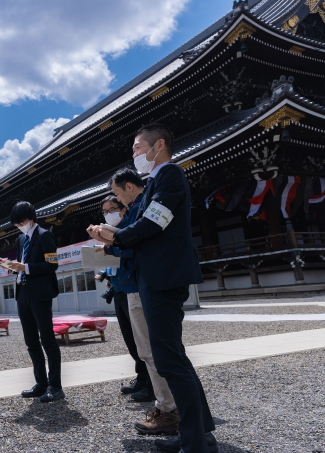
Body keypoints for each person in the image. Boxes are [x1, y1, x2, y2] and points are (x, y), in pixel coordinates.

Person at [92, 124, 216, 453]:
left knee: (169, 359)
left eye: (136, 148)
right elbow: (141, 230)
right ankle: (199, 434)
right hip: (155, 276)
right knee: (173, 357)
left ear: (158, 145)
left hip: (163, 278)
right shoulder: (154, 183)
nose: (134, 155)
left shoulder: (170, 175)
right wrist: (111, 240)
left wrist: (114, 237)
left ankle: (195, 442)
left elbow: (152, 224)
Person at [94, 170, 181, 436]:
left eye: (117, 197)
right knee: (151, 350)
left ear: (129, 187)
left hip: (143, 284)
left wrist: (108, 242)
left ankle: (169, 409)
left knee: (154, 351)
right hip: (134, 284)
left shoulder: (153, 197)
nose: (115, 204)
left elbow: (134, 242)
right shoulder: (143, 204)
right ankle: (170, 407)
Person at [0, 201, 63, 403]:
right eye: (16, 224)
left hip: (40, 294)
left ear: (31, 217)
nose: (19, 225)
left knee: (47, 340)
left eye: (22, 221)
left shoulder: (45, 235)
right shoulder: (20, 239)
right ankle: (41, 383)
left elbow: (52, 264)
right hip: (23, 293)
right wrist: (11, 266)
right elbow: (22, 265)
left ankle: (55, 386)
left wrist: (25, 267)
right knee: (31, 342)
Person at [91, 195, 153, 403]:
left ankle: (150, 384)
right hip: (118, 289)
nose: (109, 214)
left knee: (142, 338)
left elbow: (130, 251)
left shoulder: (128, 228)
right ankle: (142, 378)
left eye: (112, 209)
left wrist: (108, 247)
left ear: (123, 209)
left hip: (132, 288)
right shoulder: (108, 231)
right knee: (130, 339)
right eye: (105, 211)